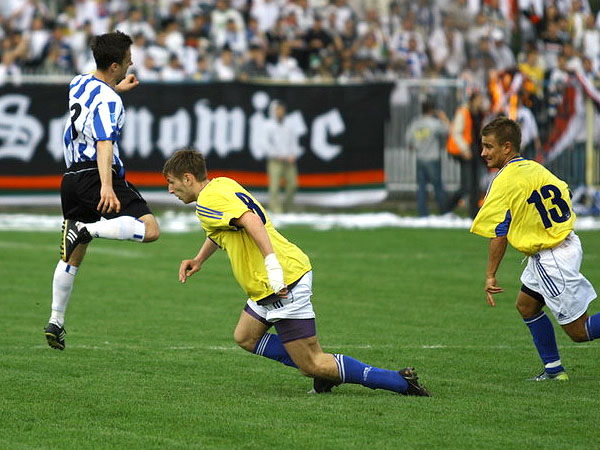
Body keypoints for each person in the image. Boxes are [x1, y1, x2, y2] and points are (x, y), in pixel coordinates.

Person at [163, 148, 430, 396]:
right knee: (245, 336)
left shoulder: (206, 203)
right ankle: (324, 368)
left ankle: (396, 381)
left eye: (172, 183)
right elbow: (226, 227)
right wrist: (199, 259)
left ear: (188, 178)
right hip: (270, 283)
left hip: (281, 282)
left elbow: (251, 220)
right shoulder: (221, 184)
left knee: (311, 363)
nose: (170, 190)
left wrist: (272, 266)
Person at [44, 31, 160, 350]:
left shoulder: (78, 82)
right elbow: (104, 141)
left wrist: (118, 89)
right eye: (127, 60)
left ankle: (56, 319)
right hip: (97, 175)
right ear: (114, 65)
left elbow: (97, 99)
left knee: (72, 257)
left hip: (70, 178)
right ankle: (87, 229)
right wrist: (107, 185)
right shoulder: (111, 100)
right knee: (150, 230)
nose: (131, 62)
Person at [470, 117, 599, 381]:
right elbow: (567, 192)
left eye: (488, 146)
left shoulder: (503, 179)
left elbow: (499, 230)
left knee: (579, 331)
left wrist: (491, 274)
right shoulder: (536, 168)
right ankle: (554, 371)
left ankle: (554, 371)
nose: (483, 152)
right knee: (526, 305)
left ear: (507, 147)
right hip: (564, 242)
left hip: (551, 257)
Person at [405, 100, 450, 216]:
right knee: (438, 187)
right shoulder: (434, 123)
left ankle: (423, 214)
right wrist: (444, 118)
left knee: (421, 188)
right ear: (432, 110)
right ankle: (444, 211)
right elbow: (448, 130)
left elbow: (408, 139)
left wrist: (416, 146)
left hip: (420, 158)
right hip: (432, 158)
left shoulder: (416, 122)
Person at [446, 91, 485, 218]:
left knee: (475, 185)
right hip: (467, 151)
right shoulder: (463, 112)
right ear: (472, 100)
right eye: (479, 100)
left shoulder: (478, 114)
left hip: (476, 151)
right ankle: (446, 207)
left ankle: (474, 214)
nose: (481, 103)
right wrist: (464, 149)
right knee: (467, 186)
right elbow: (456, 132)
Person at [265, 100, 301, 213]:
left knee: (293, 185)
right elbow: (265, 144)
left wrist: (293, 154)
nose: (280, 112)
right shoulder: (268, 126)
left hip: (289, 161)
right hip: (275, 161)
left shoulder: (289, 125)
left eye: (282, 109)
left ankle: (287, 209)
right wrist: (276, 155)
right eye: (278, 110)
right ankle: (276, 211)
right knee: (274, 187)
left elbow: (294, 142)